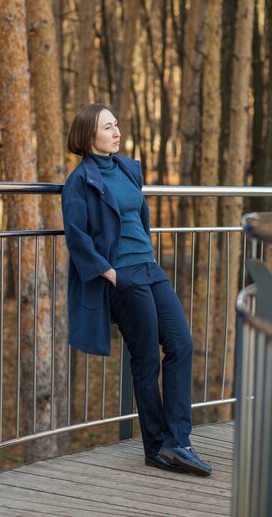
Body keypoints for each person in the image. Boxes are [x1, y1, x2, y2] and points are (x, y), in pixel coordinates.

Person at [61, 103, 212, 476]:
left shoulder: (127, 169)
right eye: (108, 127)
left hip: (150, 269)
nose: (117, 132)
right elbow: (77, 238)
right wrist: (112, 275)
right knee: (145, 358)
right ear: (88, 136)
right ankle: (156, 447)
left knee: (181, 343)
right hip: (124, 276)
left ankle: (180, 441)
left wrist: (146, 257)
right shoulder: (80, 181)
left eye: (116, 124)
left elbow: (134, 218)